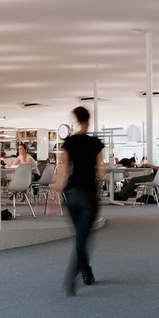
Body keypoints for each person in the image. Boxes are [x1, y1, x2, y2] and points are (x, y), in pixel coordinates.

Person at [53, 106, 104, 295]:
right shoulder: (96, 143)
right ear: (88, 121)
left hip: (72, 195)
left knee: (79, 237)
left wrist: (55, 193)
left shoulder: (69, 142)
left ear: (75, 120)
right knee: (82, 239)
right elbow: (101, 170)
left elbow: (63, 170)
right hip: (89, 196)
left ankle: (87, 272)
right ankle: (72, 277)